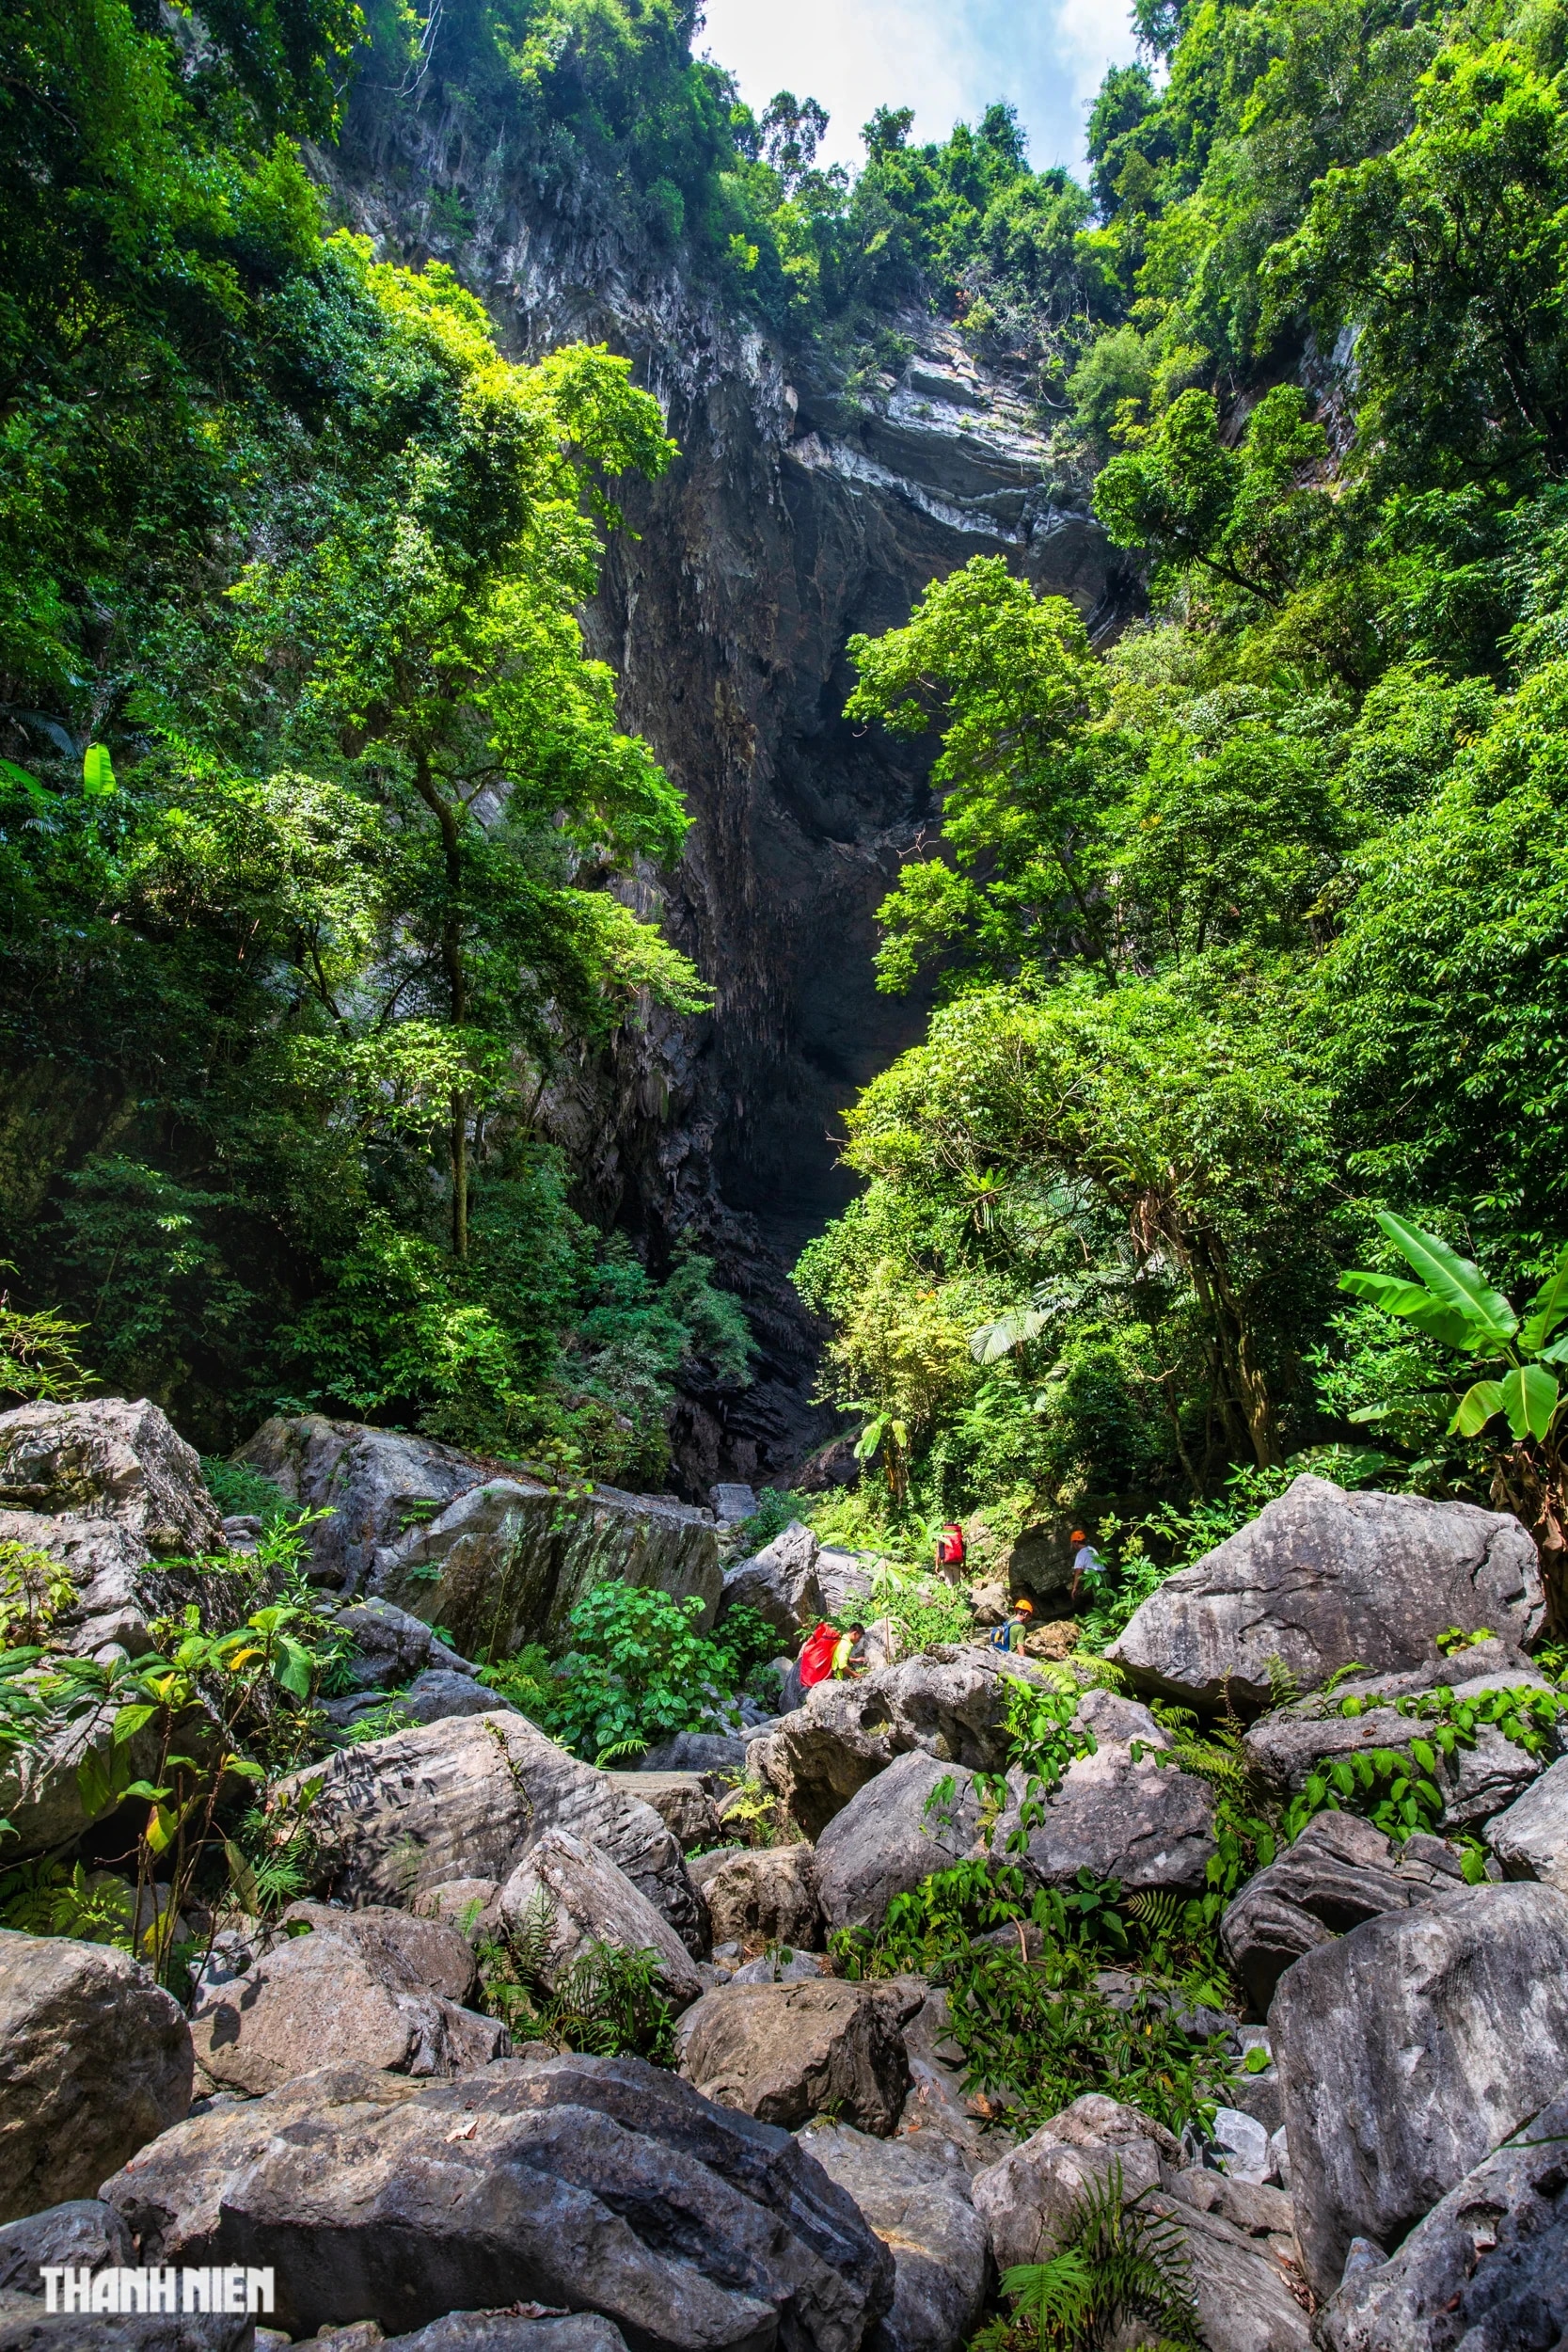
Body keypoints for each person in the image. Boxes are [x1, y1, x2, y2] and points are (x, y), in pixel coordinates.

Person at [1069, 1529, 1105, 1601]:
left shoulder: (1081, 1554)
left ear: (1076, 1542)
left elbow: (1079, 1571)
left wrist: (1074, 1588)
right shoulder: (1091, 1549)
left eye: (1072, 1543)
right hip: (1105, 1576)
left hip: (1096, 1578)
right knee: (1107, 1599)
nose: (1072, 1546)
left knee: (1101, 1602)